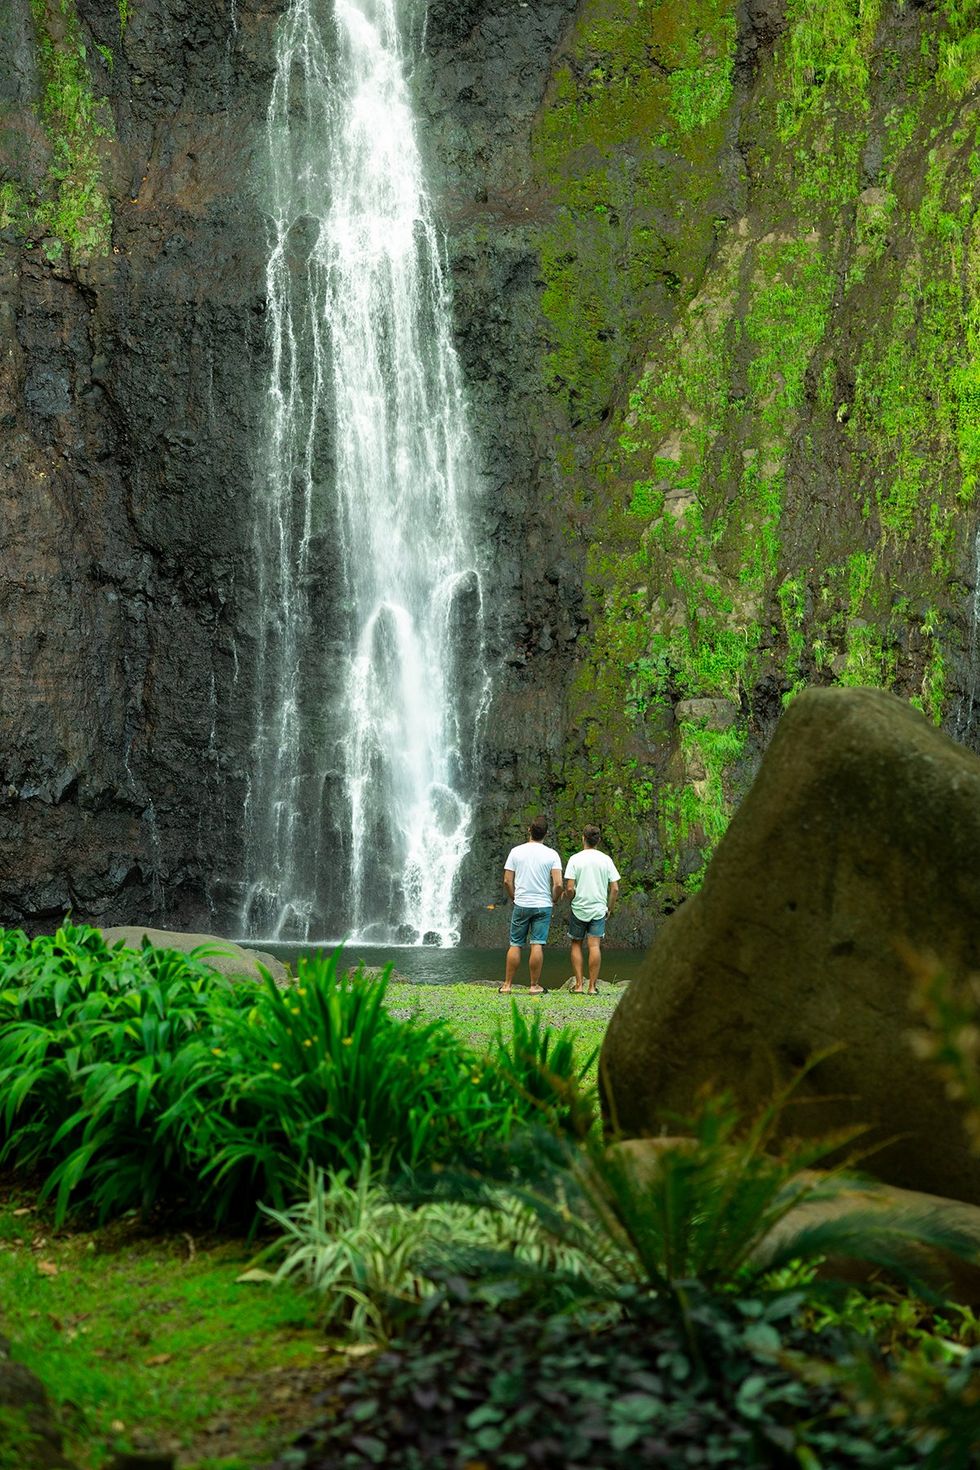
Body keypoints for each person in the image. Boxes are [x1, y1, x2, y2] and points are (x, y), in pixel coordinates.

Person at [500, 816, 563, 995]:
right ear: (546, 834)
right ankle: (534, 986)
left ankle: (507, 985)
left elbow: (507, 880)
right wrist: (554, 899)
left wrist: (514, 897)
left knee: (515, 944)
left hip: (521, 903)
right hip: (543, 905)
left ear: (529, 830)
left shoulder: (516, 852)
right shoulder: (552, 854)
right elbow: (558, 884)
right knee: (537, 944)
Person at [564, 825, 620, 994]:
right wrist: (609, 908)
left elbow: (570, 888)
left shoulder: (575, 859)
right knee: (594, 946)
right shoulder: (606, 860)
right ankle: (592, 987)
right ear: (598, 840)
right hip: (598, 909)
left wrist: (571, 897)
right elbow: (615, 888)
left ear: (583, 838)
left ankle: (579, 985)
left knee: (576, 944)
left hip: (579, 908)